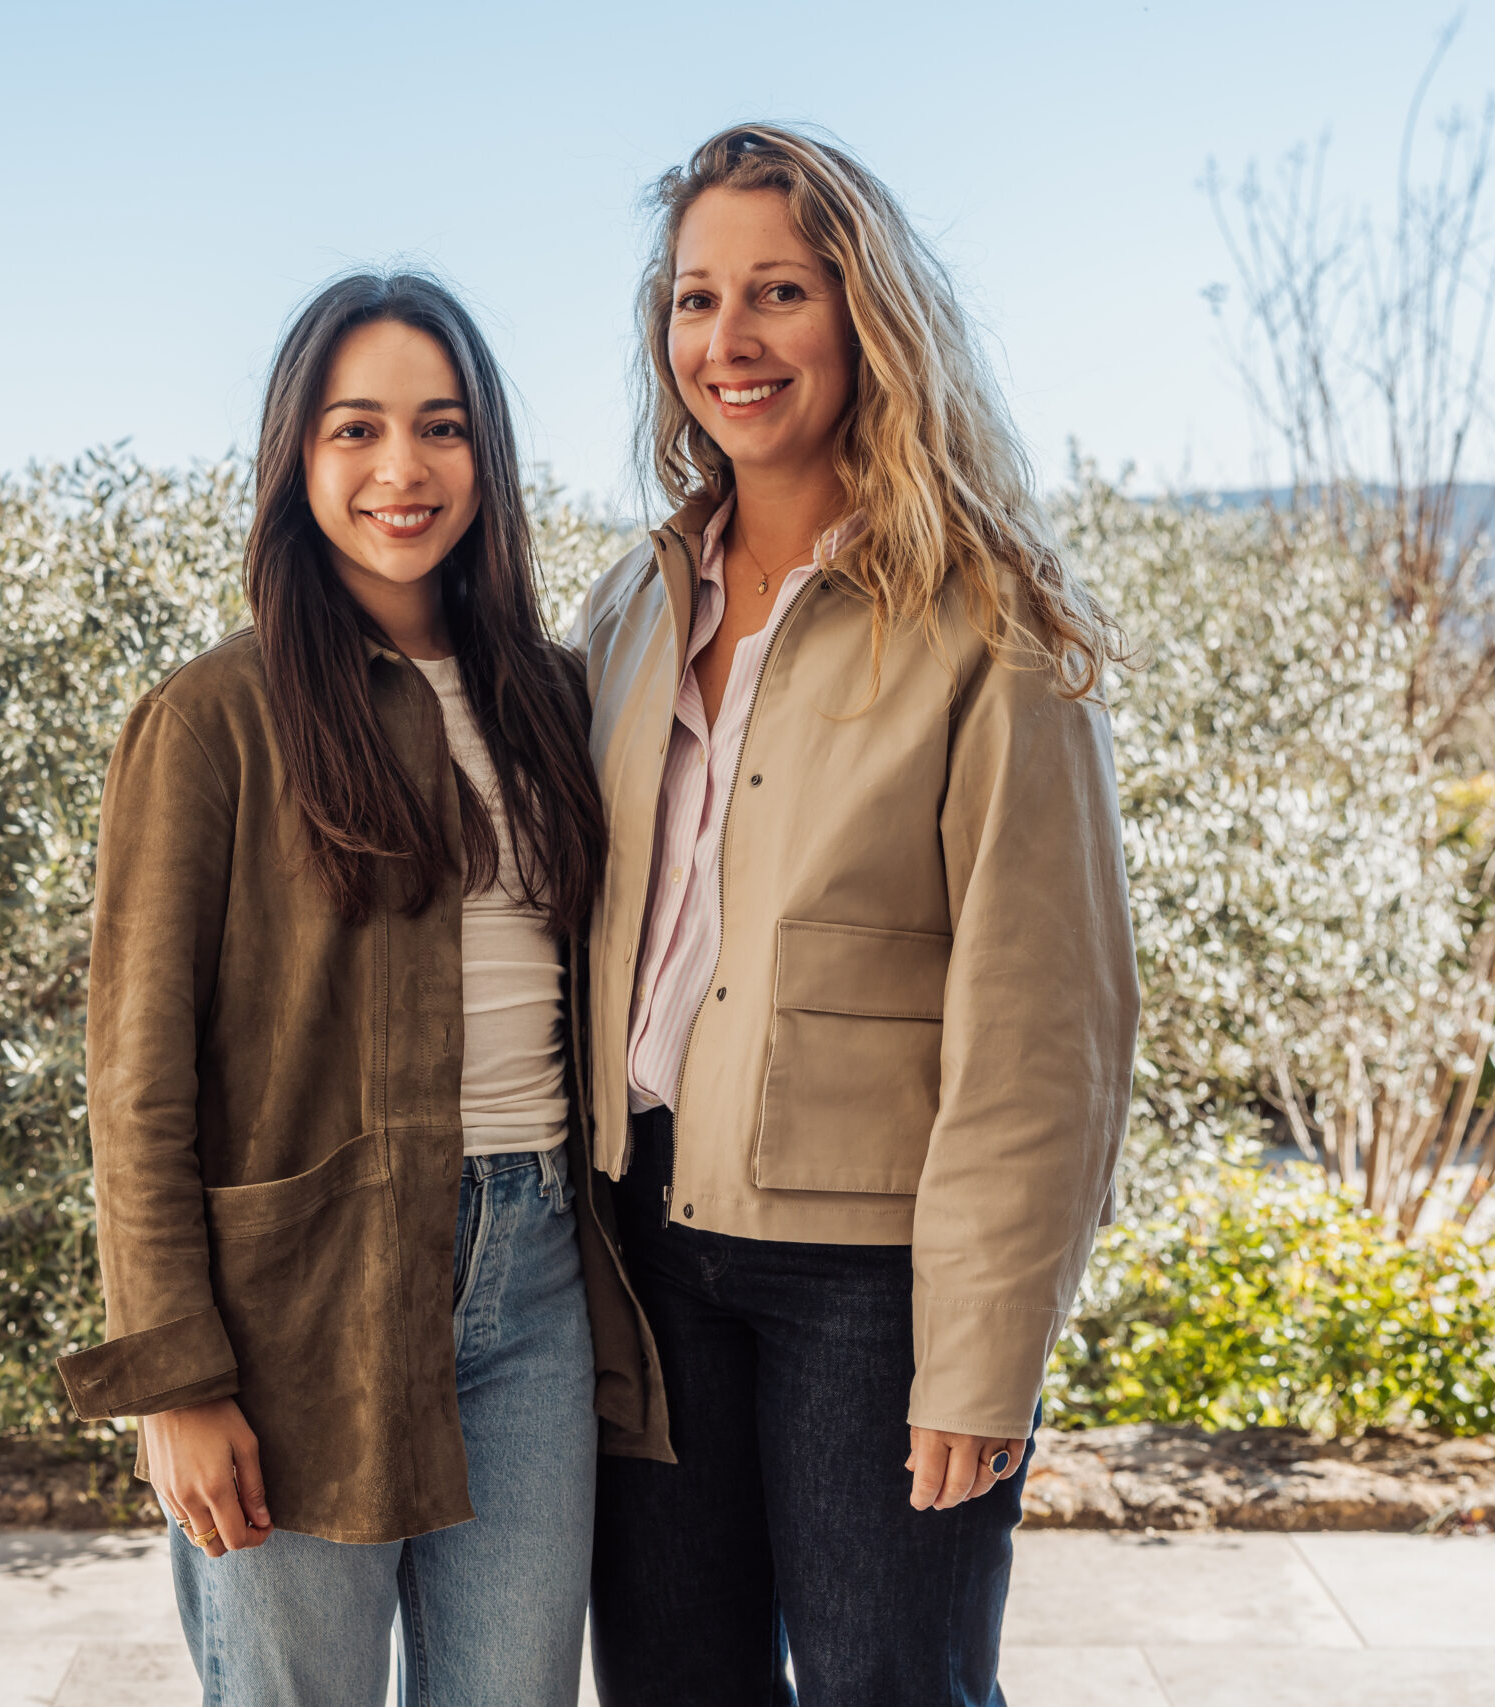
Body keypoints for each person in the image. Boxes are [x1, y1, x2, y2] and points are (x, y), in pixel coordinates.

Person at [578, 124, 1140, 1706]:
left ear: (866, 317)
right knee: (675, 1686)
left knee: (895, 1688)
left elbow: (1050, 1027)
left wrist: (984, 1352)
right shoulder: (630, 606)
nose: (729, 342)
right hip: (643, 1243)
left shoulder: (988, 622)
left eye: (779, 292)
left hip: (870, 1283)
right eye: (696, 299)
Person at [56, 270, 670, 1707]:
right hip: (294, 1314)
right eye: (356, 430)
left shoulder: (554, 698)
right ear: (296, 459)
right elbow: (138, 1080)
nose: (403, 469)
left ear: (487, 456)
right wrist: (176, 1380)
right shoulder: (213, 718)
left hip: (532, 1284)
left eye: (442, 428)